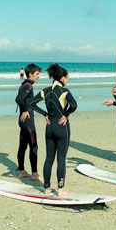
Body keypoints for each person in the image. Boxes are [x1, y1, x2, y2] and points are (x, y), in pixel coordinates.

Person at [30, 63, 77, 196]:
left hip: (49, 126)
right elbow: (74, 105)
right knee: (61, 159)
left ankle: (46, 188)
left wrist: (45, 114)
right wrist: (66, 114)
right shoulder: (65, 91)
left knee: (49, 158)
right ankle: (61, 189)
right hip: (62, 127)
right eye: (67, 78)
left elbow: (32, 103)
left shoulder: (45, 90)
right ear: (62, 78)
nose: (67, 80)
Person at [15, 63, 42, 181]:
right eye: (37, 74)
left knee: (23, 145)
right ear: (30, 74)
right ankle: (34, 174)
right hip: (27, 121)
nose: (39, 76)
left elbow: (26, 100)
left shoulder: (25, 84)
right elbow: (19, 99)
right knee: (33, 145)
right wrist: (25, 110)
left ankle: (21, 171)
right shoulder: (28, 86)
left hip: (23, 121)